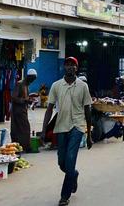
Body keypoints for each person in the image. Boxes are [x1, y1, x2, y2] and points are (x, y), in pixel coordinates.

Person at [41, 57, 93, 206]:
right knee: (62, 163)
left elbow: (87, 110)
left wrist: (89, 134)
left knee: (70, 159)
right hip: (61, 127)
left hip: (77, 127)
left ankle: (65, 196)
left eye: (73, 65)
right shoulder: (56, 86)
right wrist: (44, 130)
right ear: (64, 67)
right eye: (68, 65)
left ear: (76, 68)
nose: (70, 67)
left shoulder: (83, 86)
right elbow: (49, 109)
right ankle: (74, 175)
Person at [11, 68, 37, 152]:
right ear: (29, 77)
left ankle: (19, 146)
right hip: (18, 111)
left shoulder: (26, 85)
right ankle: (27, 147)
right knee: (25, 128)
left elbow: (25, 97)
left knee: (20, 129)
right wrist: (25, 100)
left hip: (23, 110)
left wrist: (30, 99)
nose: (32, 81)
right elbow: (14, 97)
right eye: (32, 79)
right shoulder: (20, 84)